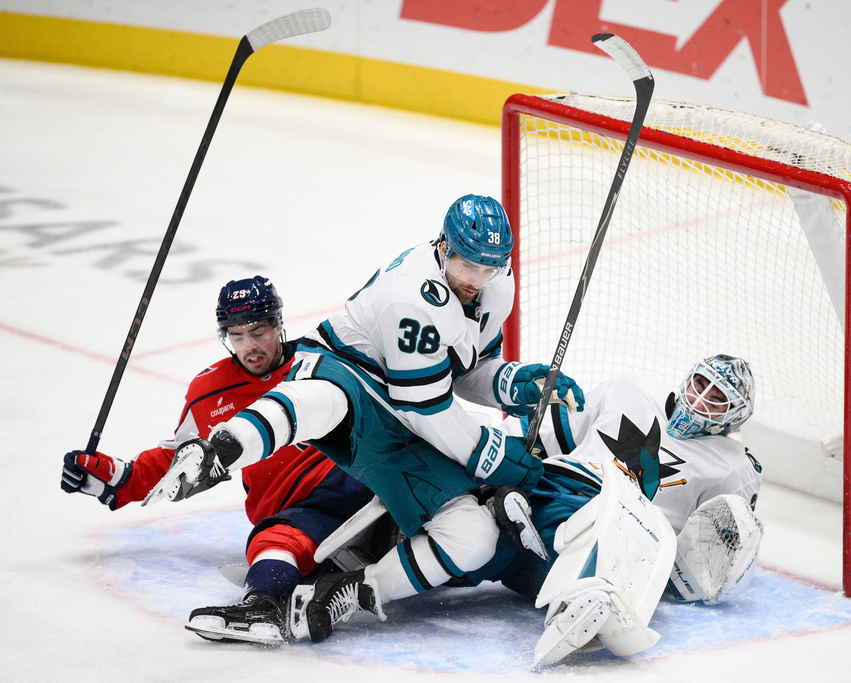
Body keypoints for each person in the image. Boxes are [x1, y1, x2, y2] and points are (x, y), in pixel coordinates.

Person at [144, 194, 586, 643]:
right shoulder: (411, 299)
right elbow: (425, 406)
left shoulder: (496, 284)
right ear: (443, 247)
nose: (477, 279)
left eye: (489, 267)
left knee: (473, 536)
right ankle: (221, 449)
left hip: (404, 420)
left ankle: (353, 591)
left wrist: (510, 382)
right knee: (324, 399)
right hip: (354, 374)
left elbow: (466, 370)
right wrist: (490, 456)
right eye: (467, 265)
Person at [60, 276, 374, 645]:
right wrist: (117, 478)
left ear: (278, 325)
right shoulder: (210, 391)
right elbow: (179, 458)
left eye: (258, 332)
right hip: (298, 509)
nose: (249, 346)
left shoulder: (321, 358)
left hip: (360, 477)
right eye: (236, 336)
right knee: (275, 540)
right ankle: (265, 604)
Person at [473, 354, 765, 667]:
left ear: (735, 416)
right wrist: (492, 449)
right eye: (700, 383)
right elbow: (552, 435)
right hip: (560, 483)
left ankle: (581, 598)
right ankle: (585, 598)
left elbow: (714, 555)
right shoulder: (632, 389)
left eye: (718, 398)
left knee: (496, 550)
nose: (701, 398)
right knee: (479, 536)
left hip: (620, 528)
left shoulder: (734, 468)